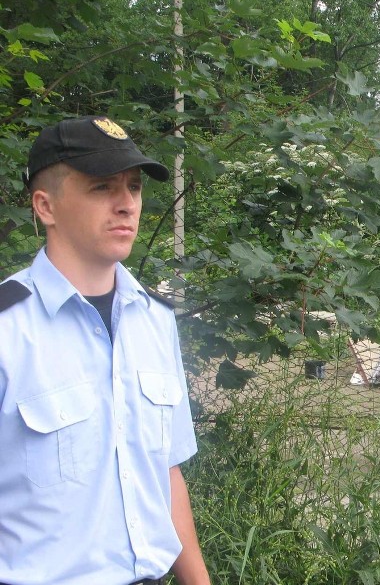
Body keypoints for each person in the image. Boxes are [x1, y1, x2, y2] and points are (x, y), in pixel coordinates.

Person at [0, 116, 210, 585]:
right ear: (46, 206)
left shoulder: (155, 322)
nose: (126, 205)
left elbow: (166, 471)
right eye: (101, 188)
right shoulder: (8, 330)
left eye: (133, 187)